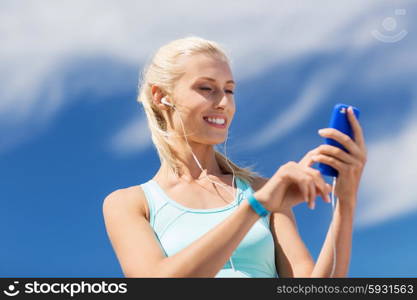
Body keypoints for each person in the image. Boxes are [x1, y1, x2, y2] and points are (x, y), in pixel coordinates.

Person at [102, 36, 367, 278]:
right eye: (206, 88)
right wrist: (255, 208)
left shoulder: (263, 191)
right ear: (161, 97)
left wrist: (346, 200)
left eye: (229, 90)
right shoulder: (129, 204)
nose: (223, 103)